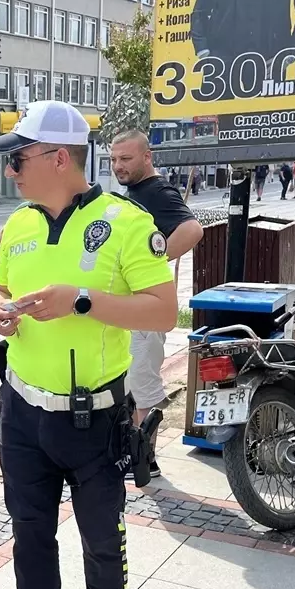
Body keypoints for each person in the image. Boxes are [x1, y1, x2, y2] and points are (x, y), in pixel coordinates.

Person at [0, 101, 177, 589]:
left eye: (20, 159)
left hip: (94, 416)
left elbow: (163, 311)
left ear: (60, 158)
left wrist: (82, 300)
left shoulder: (127, 221)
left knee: (102, 536)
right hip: (22, 411)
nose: (12, 172)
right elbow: (2, 284)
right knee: (29, 531)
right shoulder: (21, 224)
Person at [109, 131, 204, 478]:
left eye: (126, 158)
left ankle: (143, 459)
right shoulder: (136, 192)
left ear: (146, 157)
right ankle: (134, 454)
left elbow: (192, 230)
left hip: (145, 307)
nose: (119, 165)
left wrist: (153, 261)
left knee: (142, 382)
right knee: (131, 384)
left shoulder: (157, 190)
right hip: (132, 307)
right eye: (114, 159)